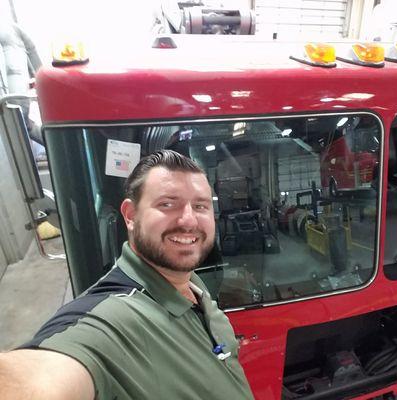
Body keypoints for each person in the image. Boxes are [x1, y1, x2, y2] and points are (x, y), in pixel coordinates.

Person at [0, 150, 254, 400]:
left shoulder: (194, 288)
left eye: (200, 206)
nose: (189, 221)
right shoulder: (111, 320)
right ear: (131, 216)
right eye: (167, 204)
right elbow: (36, 379)